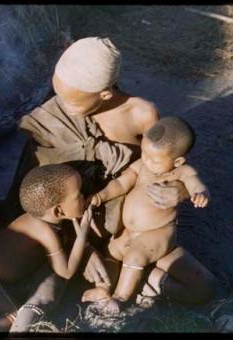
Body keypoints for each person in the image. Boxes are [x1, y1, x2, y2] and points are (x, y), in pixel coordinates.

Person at [17, 36, 215, 303]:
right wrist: (83, 246)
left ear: (105, 94)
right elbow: (40, 191)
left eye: (73, 102)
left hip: (129, 228)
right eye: (57, 94)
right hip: (72, 223)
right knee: (52, 279)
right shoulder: (54, 118)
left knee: (203, 286)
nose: (63, 106)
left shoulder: (142, 114)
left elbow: (168, 161)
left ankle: (135, 279)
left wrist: (180, 191)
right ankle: (129, 281)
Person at [83, 117, 210, 313]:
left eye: (154, 160)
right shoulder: (142, 165)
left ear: (177, 161)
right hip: (128, 231)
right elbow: (121, 183)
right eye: (144, 153)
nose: (147, 161)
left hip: (156, 233)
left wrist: (200, 193)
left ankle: (120, 298)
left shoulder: (182, 171)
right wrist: (100, 196)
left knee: (134, 257)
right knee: (111, 253)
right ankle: (103, 289)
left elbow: (195, 183)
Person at [0, 164, 99, 332]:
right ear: (58, 211)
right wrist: (82, 236)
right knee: (16, 314)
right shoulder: (44, 231)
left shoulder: (42, 221)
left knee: (24, 307)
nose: (83, 196)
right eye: (78, 195)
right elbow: (65, 271)